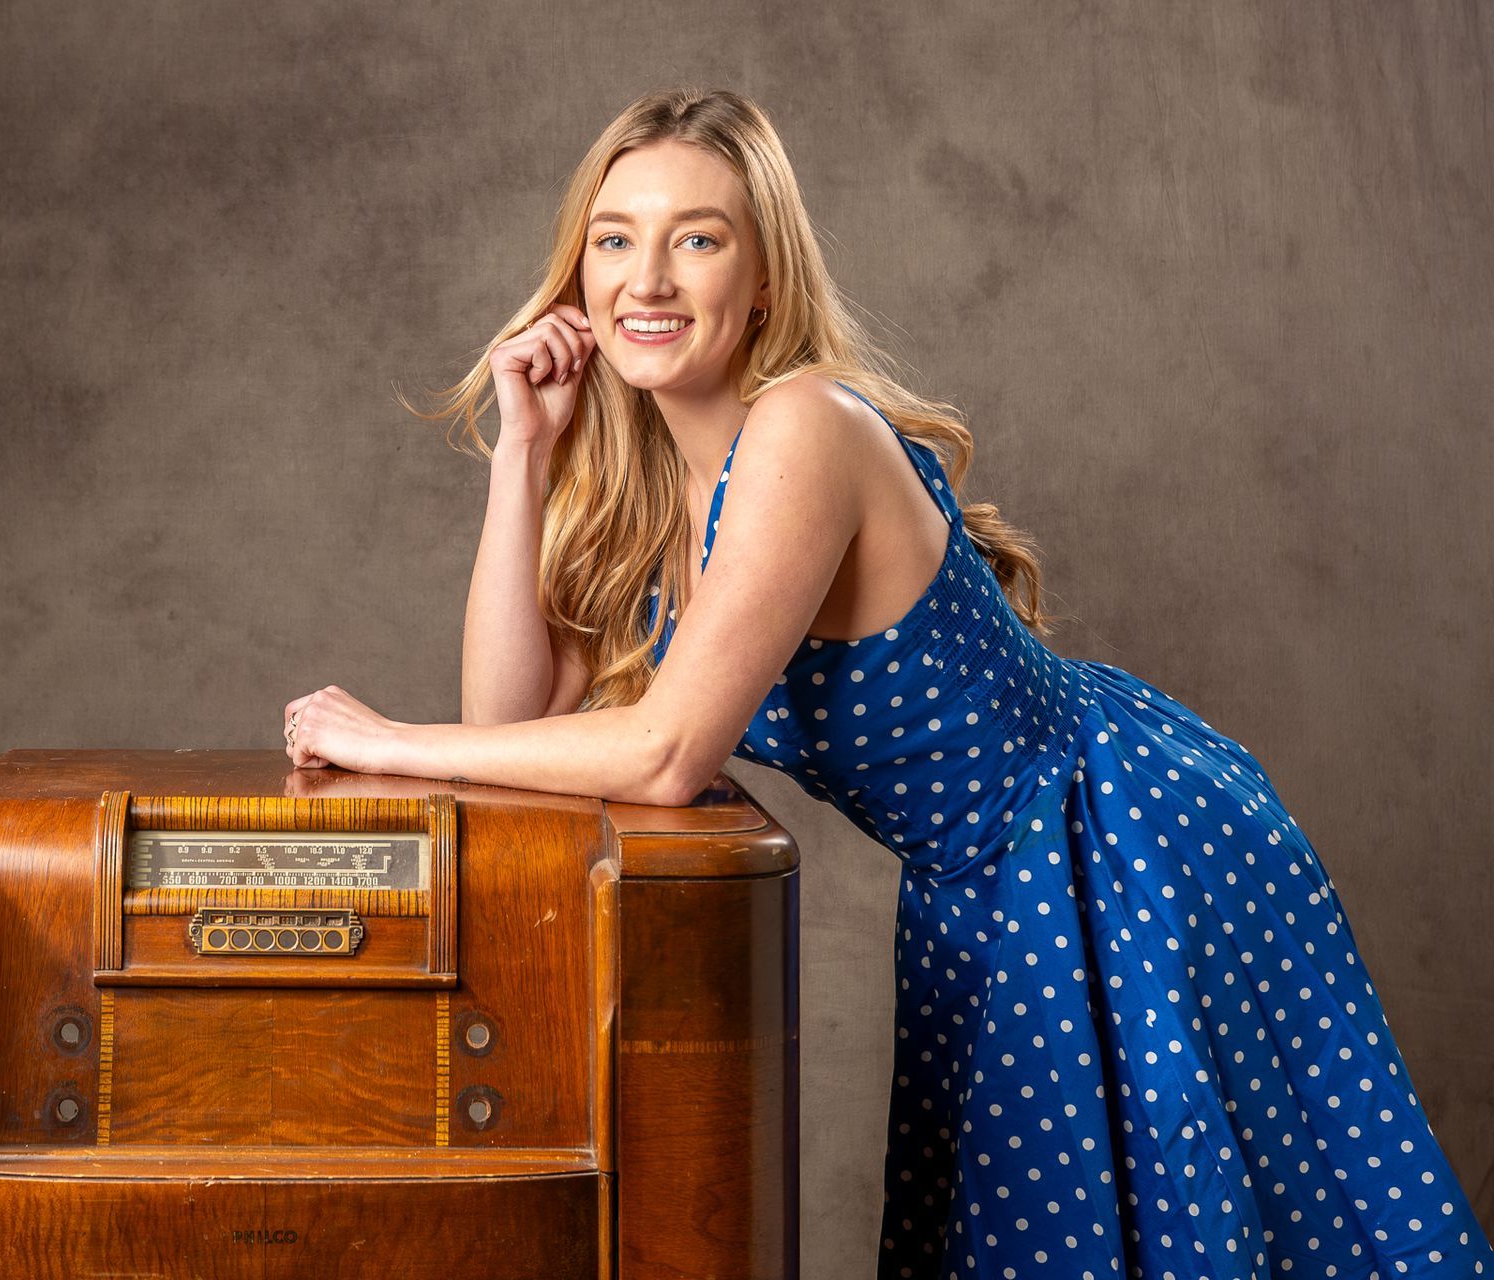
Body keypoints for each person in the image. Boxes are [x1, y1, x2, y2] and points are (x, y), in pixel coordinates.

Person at [280, 87, 1492, 1279]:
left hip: (1112, 838)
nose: (646, 280)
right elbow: (512, 720)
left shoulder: (803, 428)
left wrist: (389, 741)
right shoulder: (662, 504)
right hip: (981, 886)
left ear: (761, 282)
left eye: (696, 239)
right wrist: (528, 452)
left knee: (1237, 1229)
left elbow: (662, 752)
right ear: (579, 272)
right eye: (615, 239)